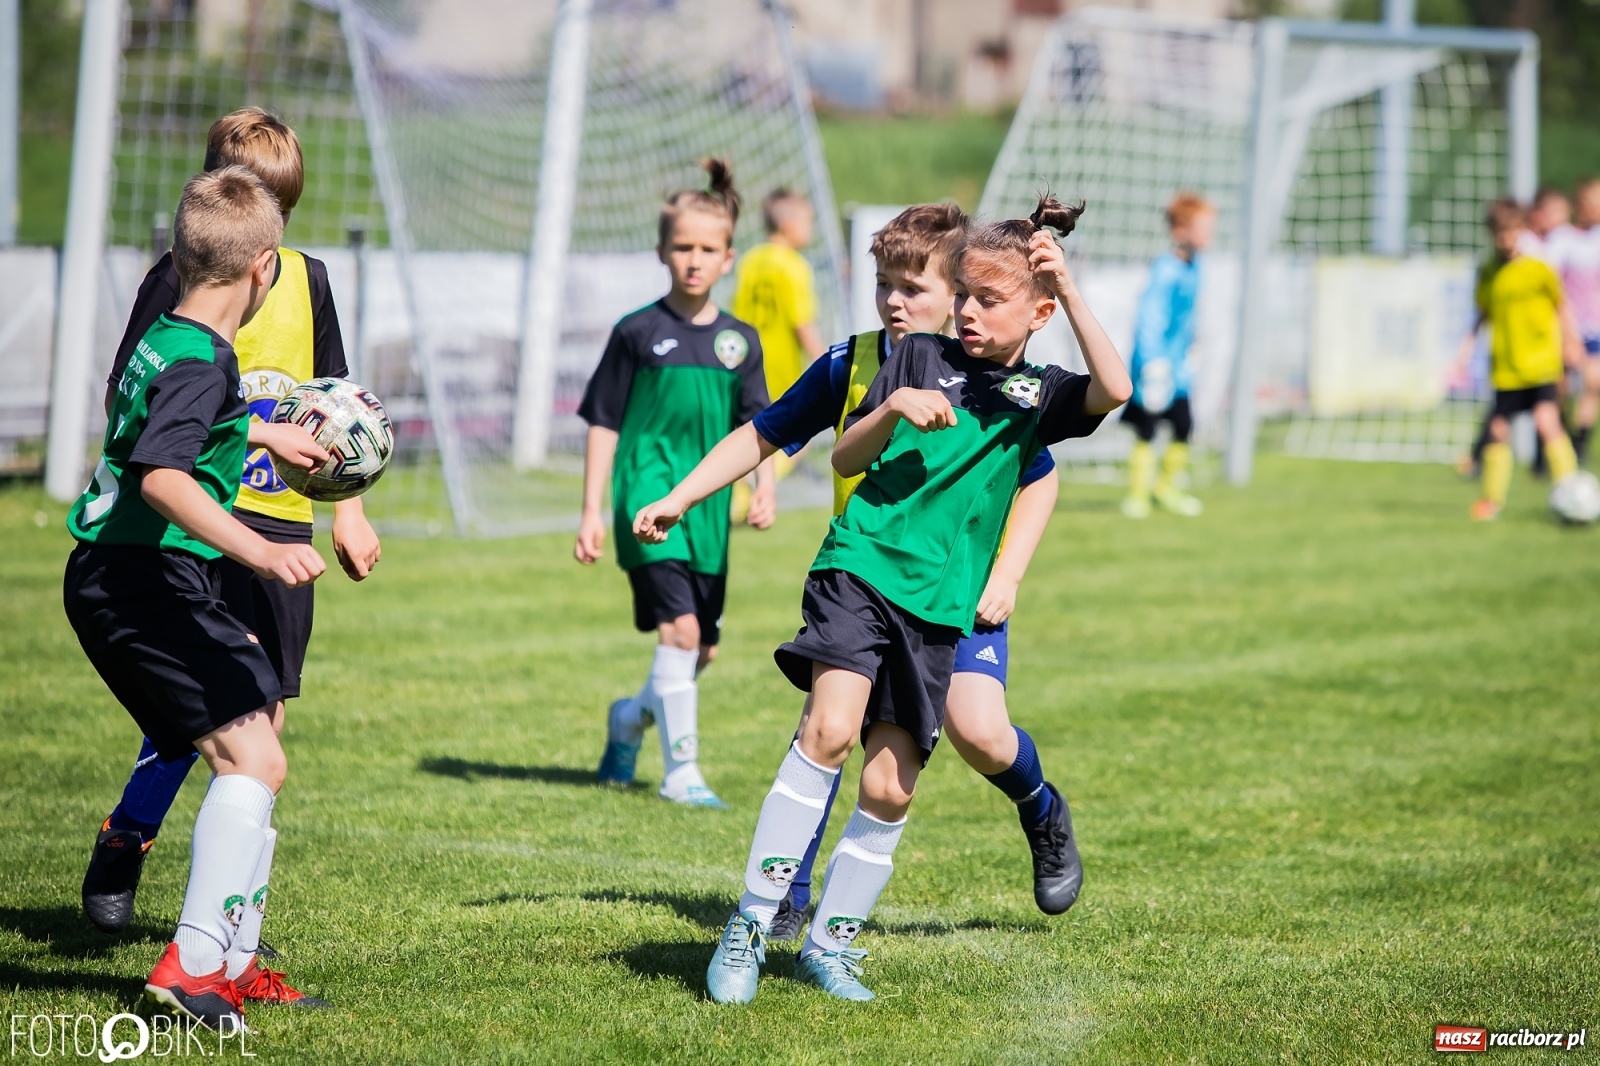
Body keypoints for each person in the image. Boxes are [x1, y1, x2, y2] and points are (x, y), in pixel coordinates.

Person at [697, 194, 1130, 1004]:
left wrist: (1068, 294)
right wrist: (892, 407)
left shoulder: (1035, 394)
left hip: (949, 598)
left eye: (978, 298)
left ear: (1034, 312)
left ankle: (839, 939)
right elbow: (832, 452)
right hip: (863, 572)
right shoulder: (900, 359)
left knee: (924, 765)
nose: (952, 309)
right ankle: (755, 922)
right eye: (956, 294)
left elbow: (1103, 403)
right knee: (826, 729)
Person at [80, 112, 381, 1001]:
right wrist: (253, 539)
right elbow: (165, 467)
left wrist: (295, 461)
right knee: (236, 745)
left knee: (259, 739)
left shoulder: (207, 339)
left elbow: (226, 403)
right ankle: (195, 958)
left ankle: (228, 959)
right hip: (166, 553)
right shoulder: (198, 346)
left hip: (175, 551)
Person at [580, 159, 773, 809]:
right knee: (681, 635)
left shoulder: (741, 342)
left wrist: (765, 488)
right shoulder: (637, 333)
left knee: (701, 651)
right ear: (662, 251)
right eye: (682, 246)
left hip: (710, 511)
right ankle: (681, 774)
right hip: (646, 495)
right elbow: (603, 422)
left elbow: (760, 425)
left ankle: (629, 719)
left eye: (707, 249)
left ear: (728, 258)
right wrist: (592, 511)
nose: (694, 259)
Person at [1455, 198, 1583, 521]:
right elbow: (1482, 314)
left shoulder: (1538, 269)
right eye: (1499, 233)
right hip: (1507, 368)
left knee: (1546, 422)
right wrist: (1465, 351)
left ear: (1522, 230)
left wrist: (1571, 341)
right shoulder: (1488, 272)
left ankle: (1570, 490)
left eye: (1511, 231)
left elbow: (1561, 306)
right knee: (1497, 431)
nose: (1505, 239)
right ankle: (1491, 500)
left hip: (1541, 362)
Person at [1121, 192, 1214, 519]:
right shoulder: (1166, 269)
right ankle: (1137, 495)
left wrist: (1191, 351)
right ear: (1180, 231)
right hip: (1155, 366)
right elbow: (1150, 318)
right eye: (1203, 227)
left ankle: (1166, 488)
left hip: (1179, 367)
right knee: (1146, 427)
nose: (1209, 235)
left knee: (1183, 424)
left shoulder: (1196, 266)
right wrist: (1152, 362)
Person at [733, 188, 825, 403]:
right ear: (788, 226)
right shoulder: (794, 266)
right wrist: (826, 362)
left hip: (744, 364)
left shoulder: (749, 260)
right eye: (807, 222)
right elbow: (802, 323)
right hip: (781, 374)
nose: (810, 229)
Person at [1559, 179, 1600, 463]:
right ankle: (1556, 443)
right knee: (1560, 388)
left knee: (1594, 382)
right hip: (1565, 326)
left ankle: (1580, 443)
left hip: (1594, 326)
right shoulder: (1563, 239)